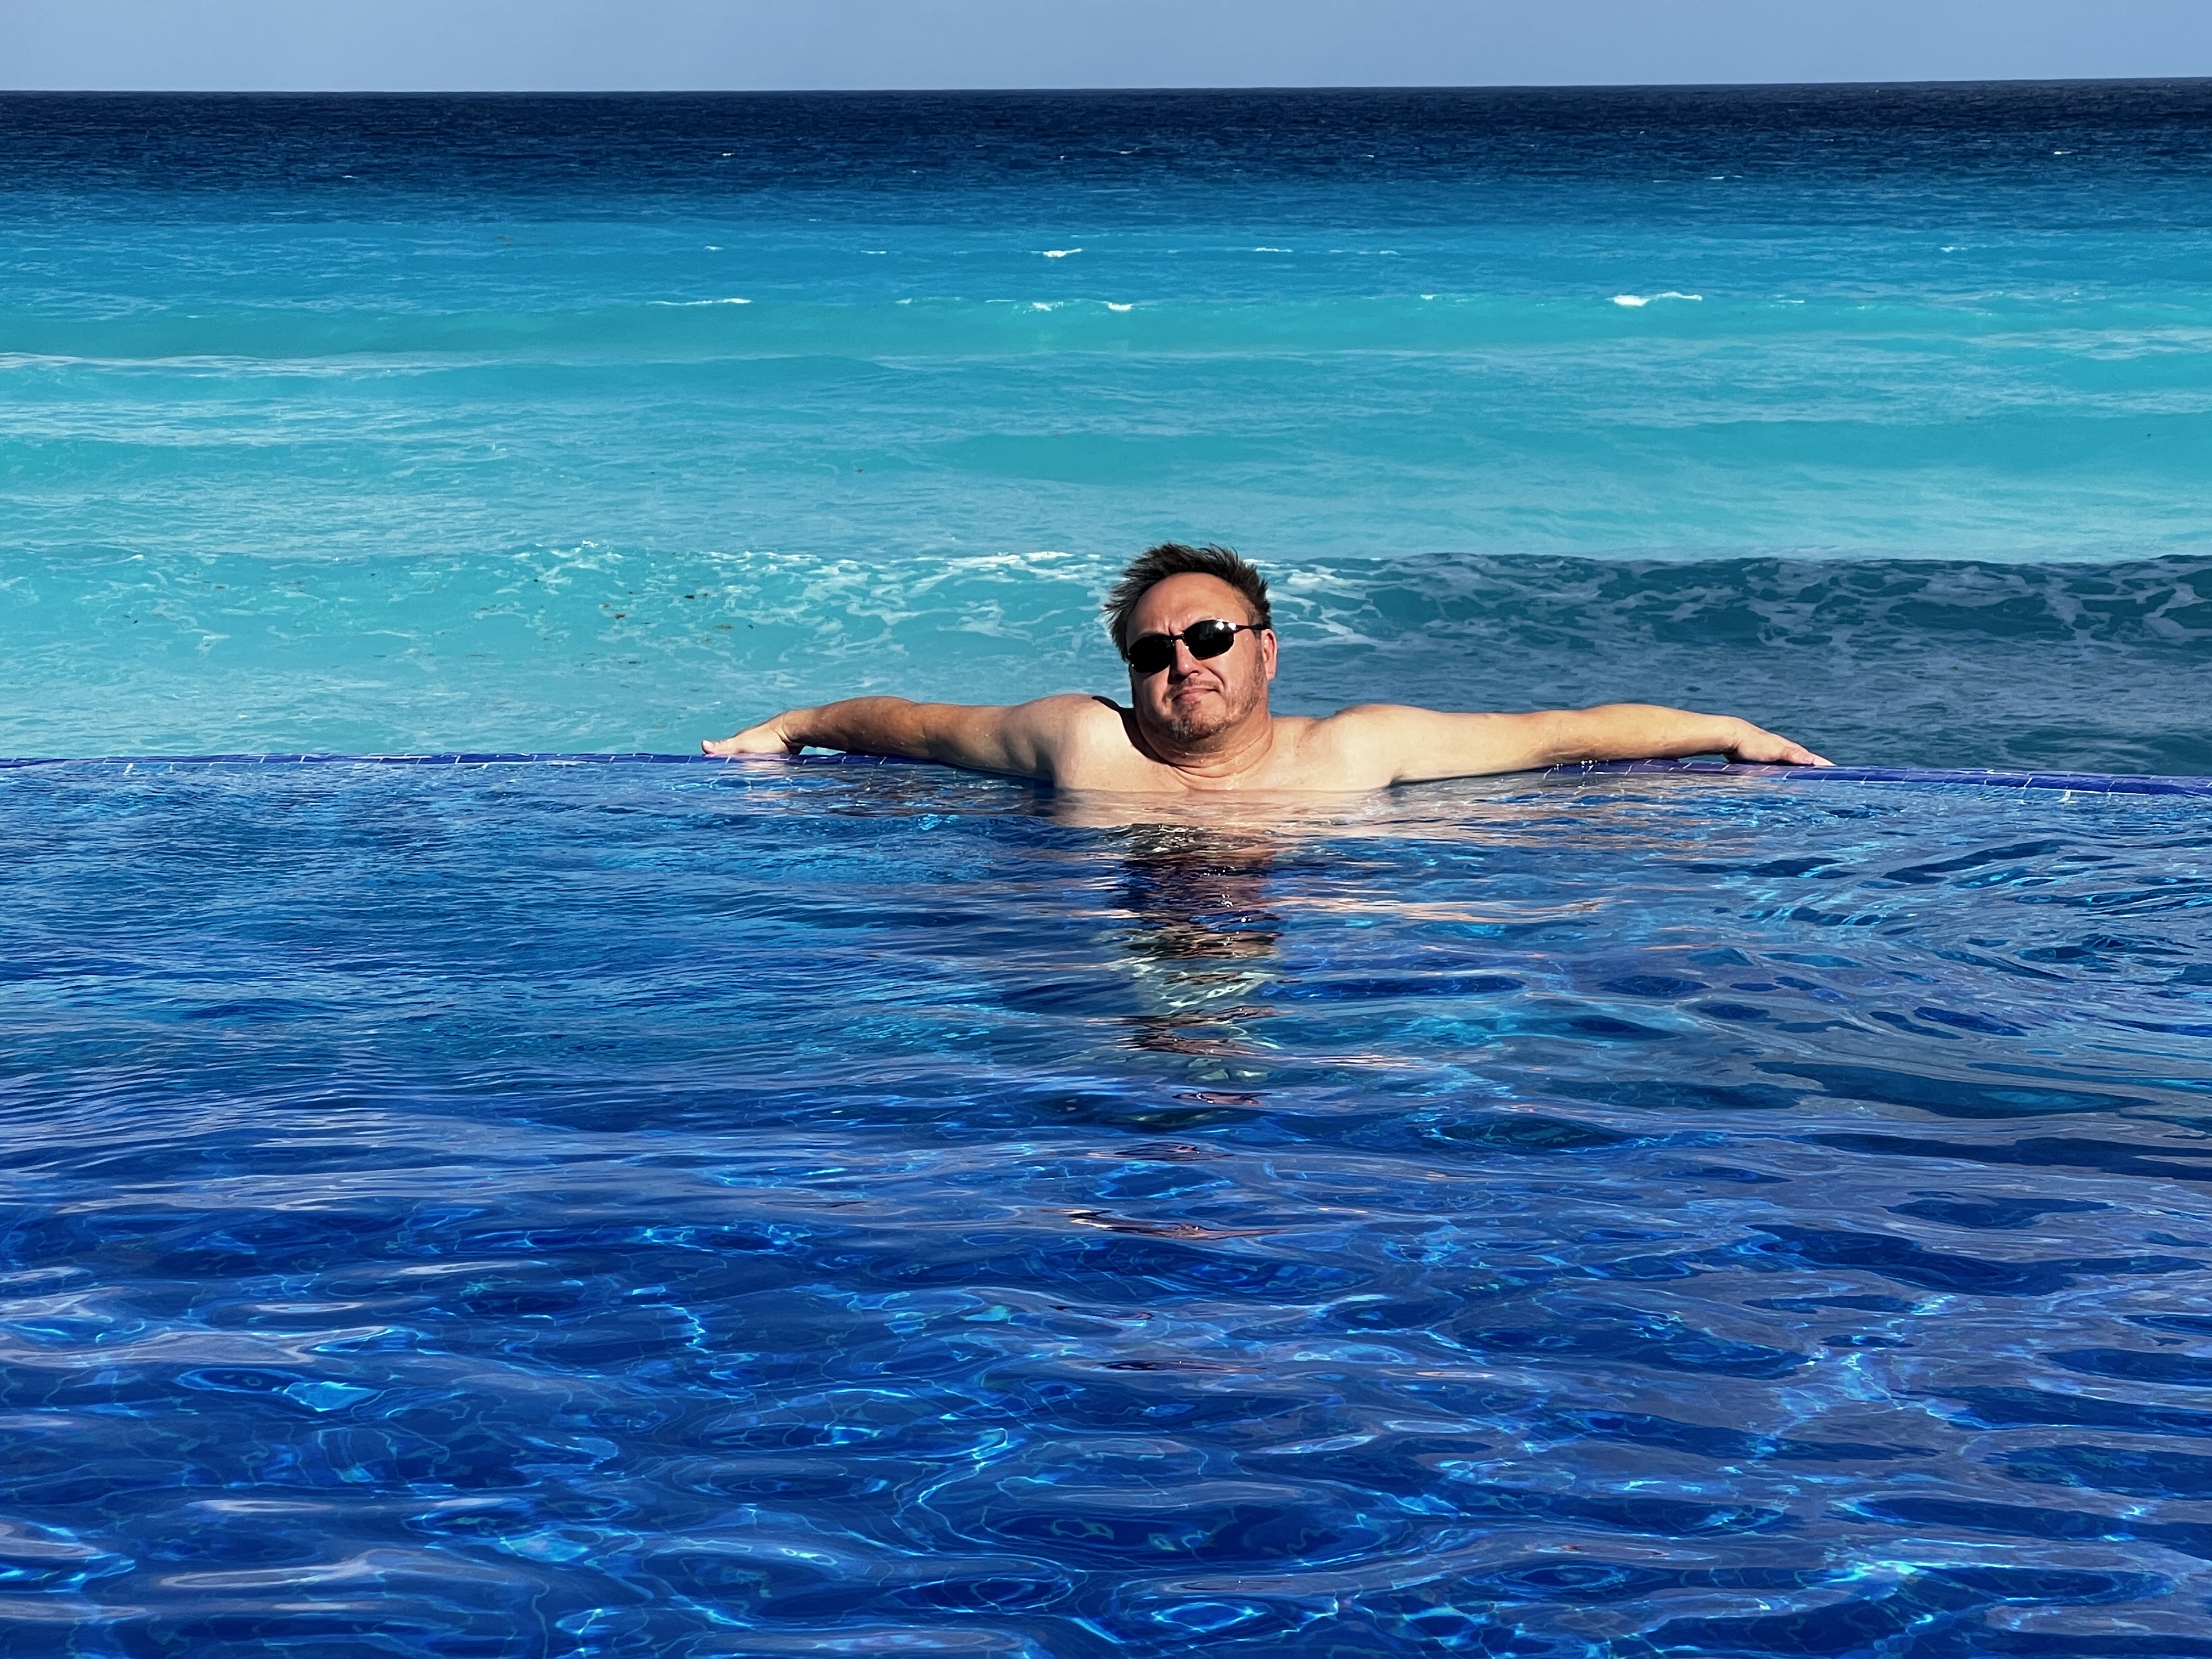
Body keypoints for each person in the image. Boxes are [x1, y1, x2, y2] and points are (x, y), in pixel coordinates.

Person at [702, 543, 1830, 790]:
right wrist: (795, 724)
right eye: (1154, 649)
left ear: (1266, 651)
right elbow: (908, 723)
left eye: (1208, 638)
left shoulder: (1355, 751)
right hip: (1099, 945)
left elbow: (1557, 731)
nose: (1182, 662)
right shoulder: (1081, 742)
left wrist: (1724, 730)